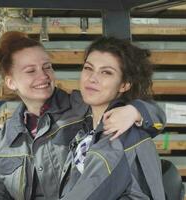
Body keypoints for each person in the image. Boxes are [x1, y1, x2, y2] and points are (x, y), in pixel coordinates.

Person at [0, 31, 165, 200]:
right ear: (10, 82)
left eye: (47, 67)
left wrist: (135, 111)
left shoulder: (85, 110)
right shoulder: (1, 143)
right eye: (30, 71)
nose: (43, 76)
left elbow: (153, 115)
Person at [59, 37, 165, 200]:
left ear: (124, 85)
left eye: (106, 72)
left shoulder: (118, 135)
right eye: (88, 68)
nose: (92, 78)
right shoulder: (87, 127)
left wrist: (137, 110)